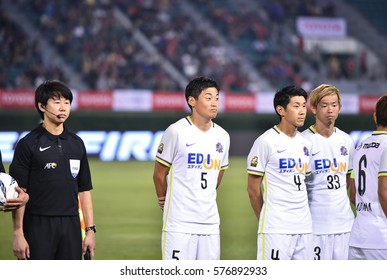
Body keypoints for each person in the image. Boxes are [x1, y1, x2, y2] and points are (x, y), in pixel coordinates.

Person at [9, 80, 96, 260]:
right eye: (56, 102)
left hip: (71, 226)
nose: (63, 107)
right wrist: (18, 233)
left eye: (67, 102)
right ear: (42, 106)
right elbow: (19, 193)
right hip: (37, 226)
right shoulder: (28, 144)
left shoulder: (77, 143)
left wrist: (90, 230)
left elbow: (84, 190)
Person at [153, 76, 230, 260]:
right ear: (192, 101)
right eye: (208, 97)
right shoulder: (176, 131)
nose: (214, 103)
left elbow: (219, 174)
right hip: (179, 222)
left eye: (217, 98)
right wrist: (164, 200)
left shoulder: (223, 136)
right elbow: (159, 174)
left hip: (210, 222)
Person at [247, 85, 313, 260]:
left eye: (304, 105)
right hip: (276, 228)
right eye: (296, 106)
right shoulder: (265, 142)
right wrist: (266, 221)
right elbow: (253, 190)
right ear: (281, 110)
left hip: (304, 227)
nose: (302, 111)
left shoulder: (306, 144)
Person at [302, 84, 355, 260]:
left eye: (334, 104)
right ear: (314, 108)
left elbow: (347, 179)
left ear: (339, 108)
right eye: (324, 105)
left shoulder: (346, 140)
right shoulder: (303, 141)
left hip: (345, 225)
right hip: (315, 226)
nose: (330, 110)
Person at [348, 94, 387, 260]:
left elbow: (352, 192)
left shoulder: (361, 145)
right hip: (381, 239)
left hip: (358, 236)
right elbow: (383, 190)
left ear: (375, 116)